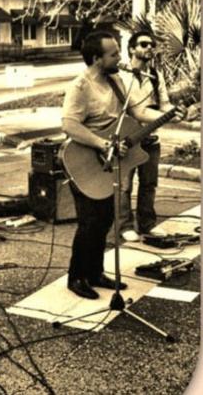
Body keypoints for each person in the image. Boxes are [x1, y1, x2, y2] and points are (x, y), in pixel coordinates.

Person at [61, 31, 184, 300]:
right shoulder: (81, 86)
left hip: (108, 162)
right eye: (114, 53)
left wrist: (169, 115)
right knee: (89, 222)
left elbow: (137, 113)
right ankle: (76, 277)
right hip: (84, 160)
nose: (120, 56)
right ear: (96, 58)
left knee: (105, 218)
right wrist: (102, 144)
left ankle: (94, 272)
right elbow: (69, 125)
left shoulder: (115, 80)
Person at [119, 31, 175, 242]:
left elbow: (165, 104)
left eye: (152, 44)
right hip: (128, 137)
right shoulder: (121, 75)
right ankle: (124, 225)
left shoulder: (155, 75)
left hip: (151, 137)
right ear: (132, 49)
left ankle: (147, 224)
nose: (149, 48)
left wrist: (176, 112)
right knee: (124, 185)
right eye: (143, 44)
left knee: (149, 183)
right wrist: (166, 116)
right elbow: (135, 111)